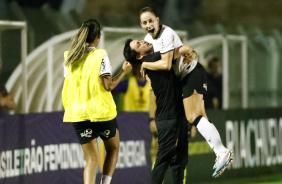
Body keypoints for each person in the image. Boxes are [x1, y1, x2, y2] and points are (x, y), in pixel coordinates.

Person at [134, 6, 232, 178]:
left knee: (193, 116)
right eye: (144, 22)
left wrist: (145, 64)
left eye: (151, 20)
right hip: (185, 77)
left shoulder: (167, 33)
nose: (148, 24)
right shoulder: (149, 39)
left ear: (157, 20)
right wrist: (186, 50)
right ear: (141, 25)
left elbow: (165, 63)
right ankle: (221, 152)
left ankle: (222, 152)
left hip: (191, 73)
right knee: (199, 117)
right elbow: (177, 52)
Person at [62, 19, 132, 184]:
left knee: (91, 159)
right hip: (99, 112)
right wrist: (123, 71)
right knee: (113, 148)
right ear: (98, 37)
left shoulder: (69, 57)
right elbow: (108, 86)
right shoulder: (100, 55)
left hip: (77, 113)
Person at [124, 39, 193, 184]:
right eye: (138, 45)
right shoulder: (153, 58)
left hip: (176, 114)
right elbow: (184, 49)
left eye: (139, 41)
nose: (143, 41)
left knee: (180, 159)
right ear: (138, 56)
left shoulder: (153, 61)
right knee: (163, 159)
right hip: (167, 116)